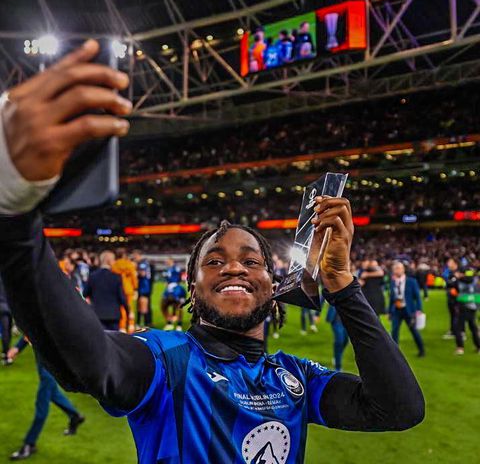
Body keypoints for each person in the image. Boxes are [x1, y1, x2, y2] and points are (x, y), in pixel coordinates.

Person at [0, 41, 424, 464]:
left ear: (273, 285)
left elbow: (399, 408)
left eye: (252, 260)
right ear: (192, 288)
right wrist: (15, 215)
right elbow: (85, 360)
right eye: (214, 261)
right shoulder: (166, 360)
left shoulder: (296, 377)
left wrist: (343, 285)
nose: (235, 267)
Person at [8, 336, 85, 461]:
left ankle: (29, 443)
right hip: (43, 356)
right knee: (53, 393)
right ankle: (75, 416)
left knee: (41, 404)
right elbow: (31, 328)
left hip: (52, 361)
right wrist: (18, 347)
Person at [84, 250, 131, 331]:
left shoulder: (93, 276)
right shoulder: (116, 277)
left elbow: (85, 293)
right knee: (112, 341)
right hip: (114, 315)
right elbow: (122, 298)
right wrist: (128, 312)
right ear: (109, 261)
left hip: (97, 314)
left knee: (99, 341)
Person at [389, 261, 425, 357]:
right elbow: (392, 298)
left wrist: (419, 309)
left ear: (403, 269)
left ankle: (421, 350)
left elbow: (417, 297)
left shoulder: (411, 281)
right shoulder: (393, 282)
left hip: (409, 310)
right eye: (395, 269)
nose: (397, 270)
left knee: (414, 331)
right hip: (396, 310)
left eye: (399, 268)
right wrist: (389, 311)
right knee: (394, 331)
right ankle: (395, 354)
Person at [452, 268, 480, 355]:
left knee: (457, 328)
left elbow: (451, 288)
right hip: (473, 306)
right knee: (473, 328)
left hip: (462, 307)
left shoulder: (458, 282)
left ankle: (460, 348)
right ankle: (478, 347)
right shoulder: (474, 281)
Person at [112, 248, 138, 332]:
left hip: (117, 289)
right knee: (129, 308)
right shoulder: (129, 264)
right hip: (128, 289)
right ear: (124, 255)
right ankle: (130, 325)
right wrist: (135, 288)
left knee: (120, 308)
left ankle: (122, 326)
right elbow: (134, 278)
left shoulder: (114, 265)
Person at [132, 249, 153, 327]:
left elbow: (143, 274)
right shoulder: (144, 263)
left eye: (135, 255)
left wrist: (134, 271)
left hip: (143, 287)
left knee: (142, 306)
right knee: (142, 305)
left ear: (138, 255)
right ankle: (145, 323)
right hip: (144, 287)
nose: (134, 257)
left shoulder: (142, 263)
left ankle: (143, 324)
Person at [326, 305, 349, 371]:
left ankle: (337, 356)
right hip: (336, 320)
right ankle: (338, 367)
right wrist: (317, 314)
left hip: (346, 321)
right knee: (339, 341)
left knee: (345, 341)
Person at [0, 276, 13, 365]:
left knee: (6, 331)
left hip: (5, 307)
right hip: (6, 308)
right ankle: (6, 353)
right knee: (6, 331)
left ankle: (6, 353)